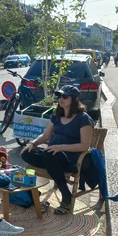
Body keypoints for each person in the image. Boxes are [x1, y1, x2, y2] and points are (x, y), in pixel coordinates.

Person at [20, 85, 94, 215]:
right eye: (59, 96)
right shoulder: (57, 115)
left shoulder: (83, 118)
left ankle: (66, 196)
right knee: (27, 153)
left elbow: (84, 145)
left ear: (74, 99)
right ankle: (33, 192)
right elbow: (46, 136)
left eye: (65, 96)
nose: (61, 99)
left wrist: (60, 147)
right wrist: (34, 143)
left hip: (71, 157)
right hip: (53, 154)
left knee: (50, 155)